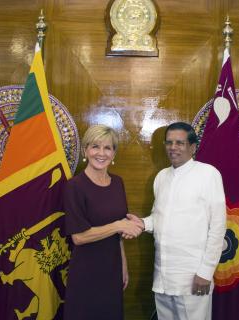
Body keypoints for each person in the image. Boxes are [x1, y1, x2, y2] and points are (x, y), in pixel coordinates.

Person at [127, 122, 227, 320]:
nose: (173, 148)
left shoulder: (209, 174)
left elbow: (218, 227)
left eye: (180, 143)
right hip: (163, 276)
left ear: (192, 147)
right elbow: (159, 218)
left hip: (193, 277)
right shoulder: (161, 177)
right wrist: (141, 223)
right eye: (169, 142)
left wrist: (206, 272)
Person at [63, 124, 143, 320]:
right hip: (86, 271)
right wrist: (118, 225)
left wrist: (123, 264)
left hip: (112, 267)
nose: (101, 153)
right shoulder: (74, 186)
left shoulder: (118, 183)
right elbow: (79, 237)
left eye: (107, 148)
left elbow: (119, 236)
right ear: (85, 150)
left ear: (114, 153)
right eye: (95, 146)